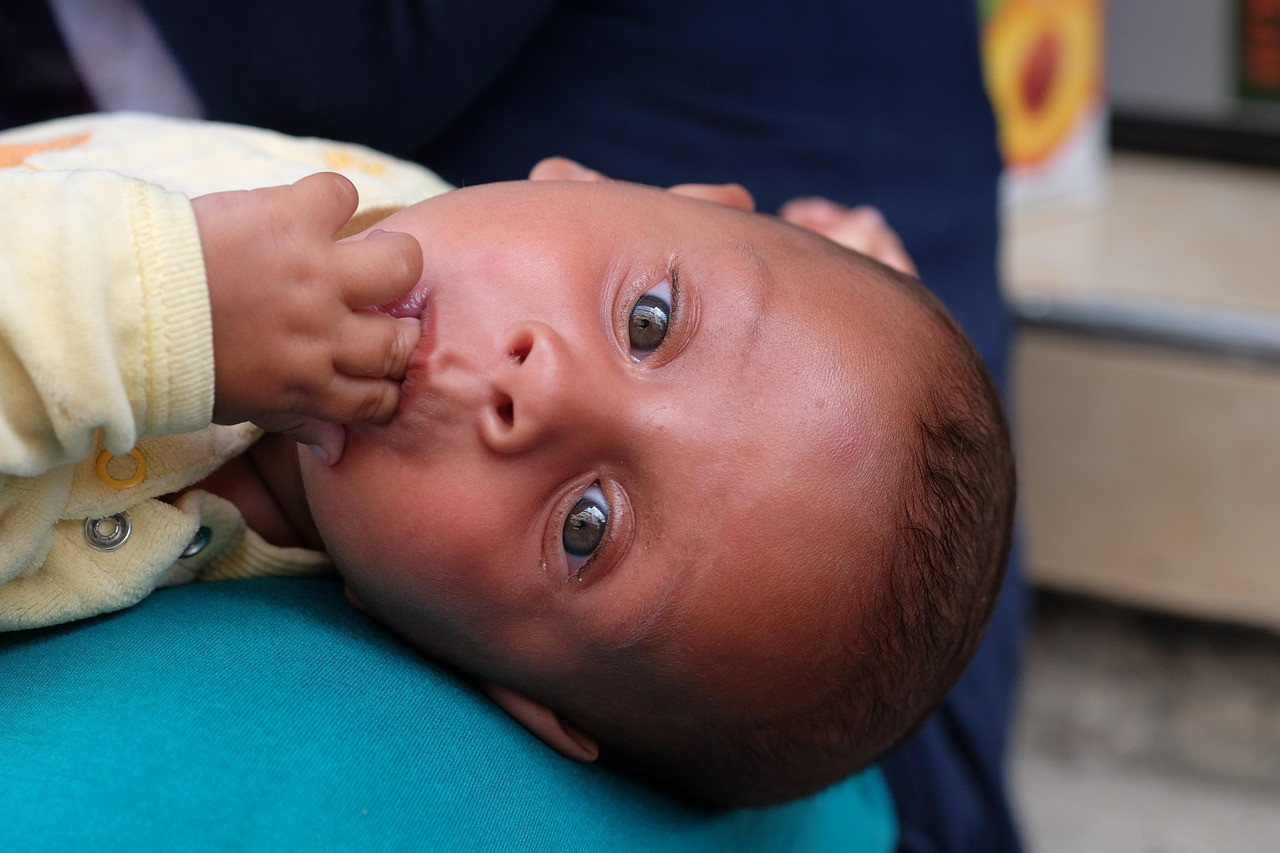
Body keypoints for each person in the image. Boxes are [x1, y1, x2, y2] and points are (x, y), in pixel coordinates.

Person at [0, 112, 1013, 809]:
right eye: (649, 321)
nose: (542, 391)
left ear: (518, 696)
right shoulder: (394, 205)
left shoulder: (107, 538)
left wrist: (160, 323)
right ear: (636, 188)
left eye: (587, 526)